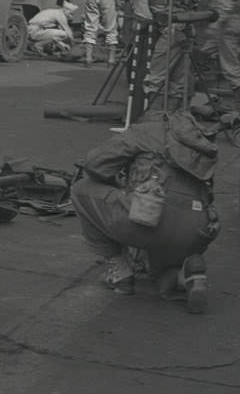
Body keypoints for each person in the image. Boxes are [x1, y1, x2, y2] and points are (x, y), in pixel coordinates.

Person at [69, 109, 221, 311]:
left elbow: (94, 165)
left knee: (81, 190)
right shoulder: (200, 142)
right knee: (160, 276)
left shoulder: (145, 131)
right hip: (197, 232)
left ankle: (120, 273)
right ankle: (188, 277)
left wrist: (116, 184)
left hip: (152, 218)